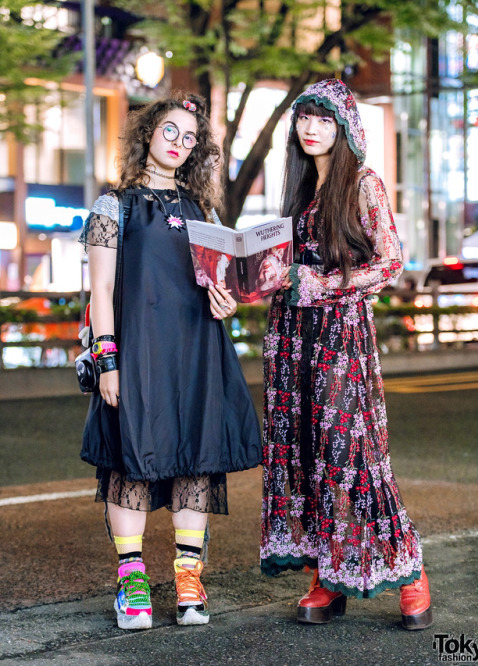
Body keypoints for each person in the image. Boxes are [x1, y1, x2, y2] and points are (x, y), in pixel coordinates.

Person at [79, 92, 262, 630]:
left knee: (195, 458)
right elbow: (103, 291)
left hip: (198, 350)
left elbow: (214, 284)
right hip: (137, 353)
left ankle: (188, 578)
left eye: (190, 138)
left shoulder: (200, 210)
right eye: (170, 132)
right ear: (147, 136)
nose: (180, 144)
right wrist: (106, 359)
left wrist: (225, 302)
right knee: (131, 457)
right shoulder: (114, 207)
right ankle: (132, 581)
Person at [260, 79, 432, 630]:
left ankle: (410, 573)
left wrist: (322, 284)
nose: (311, 128)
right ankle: (327, 576)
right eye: (304, 118)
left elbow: (391, 262)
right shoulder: (298, 190)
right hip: (292, 341)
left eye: (323, 120)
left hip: (339, 338)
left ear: (346, 128)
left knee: (351, 455)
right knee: (309, 454)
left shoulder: (363, 184)